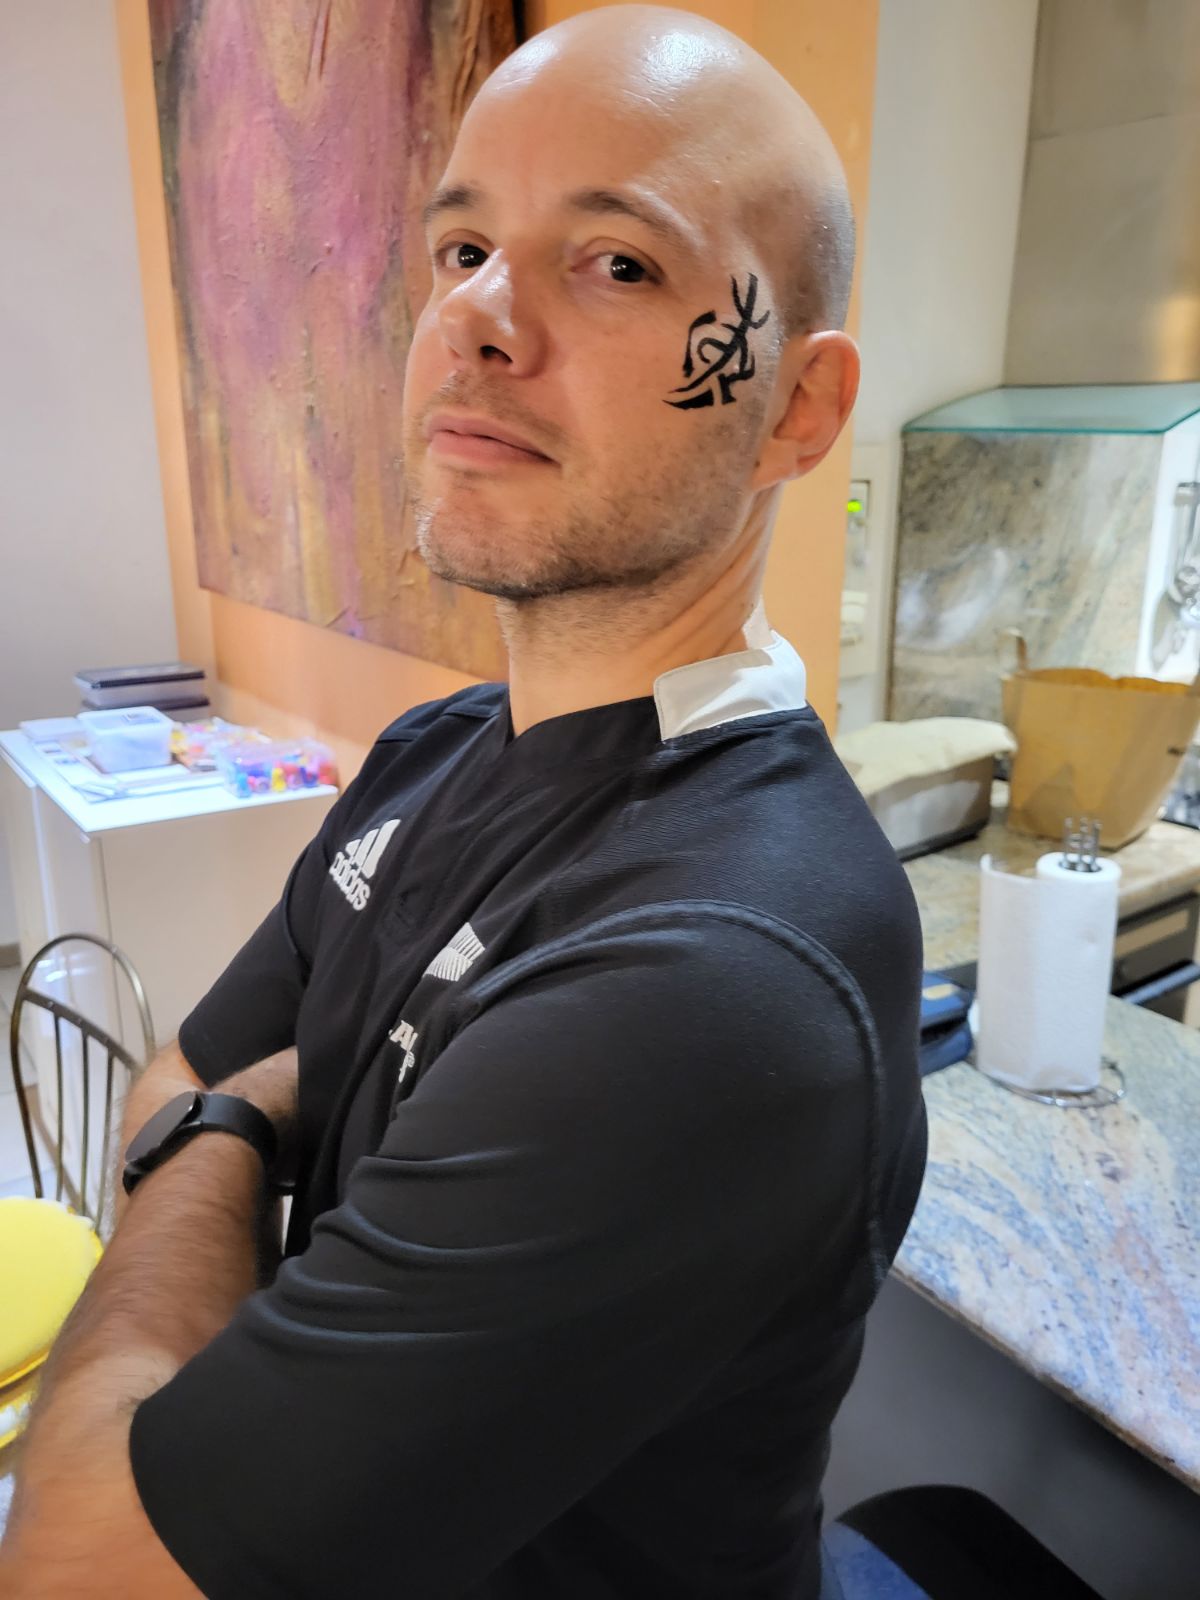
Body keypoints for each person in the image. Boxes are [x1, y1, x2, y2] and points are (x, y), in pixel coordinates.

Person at [0, 8, 926, 1596]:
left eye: (618, 263)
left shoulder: (720, 970)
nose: (482, 318)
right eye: (463, 248)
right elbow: (177, 1070)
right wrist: (229, 1111)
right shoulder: (438, 749)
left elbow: (77, 1566)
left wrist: (230, 1126)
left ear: (797, 409)